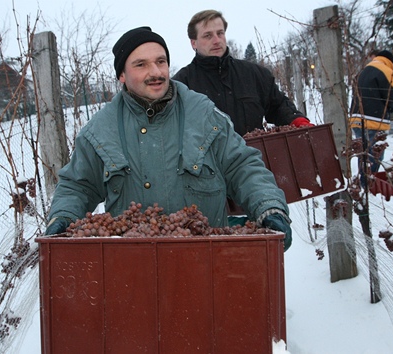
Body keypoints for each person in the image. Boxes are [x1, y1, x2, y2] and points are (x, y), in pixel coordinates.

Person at [45, 26, 292, 250]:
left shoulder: (203, 114)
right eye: (140, 65)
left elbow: (242, 167)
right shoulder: (100, 131)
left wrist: (268, 207)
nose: (155, 72)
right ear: (121, 75)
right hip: (132, 267)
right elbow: (78, 186)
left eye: (161, 62)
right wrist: (62, 218)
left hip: (208, 261)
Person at [172, 9, 313, 137]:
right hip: (208, 163)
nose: (216, 41)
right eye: (208, 36)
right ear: (193, 43)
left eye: (220, 33)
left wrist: (298, 121)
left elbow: (278, 107)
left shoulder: (254, 74)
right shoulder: (181, 85)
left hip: (254, 158)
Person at [349, 49, 393, 177]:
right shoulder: (387, 71)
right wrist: (390, 110)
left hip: (356, 119)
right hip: (375, 120)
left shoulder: (363, 71)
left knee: (363, 155)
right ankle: (369, 187)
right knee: (374, 156)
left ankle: (363, 187)